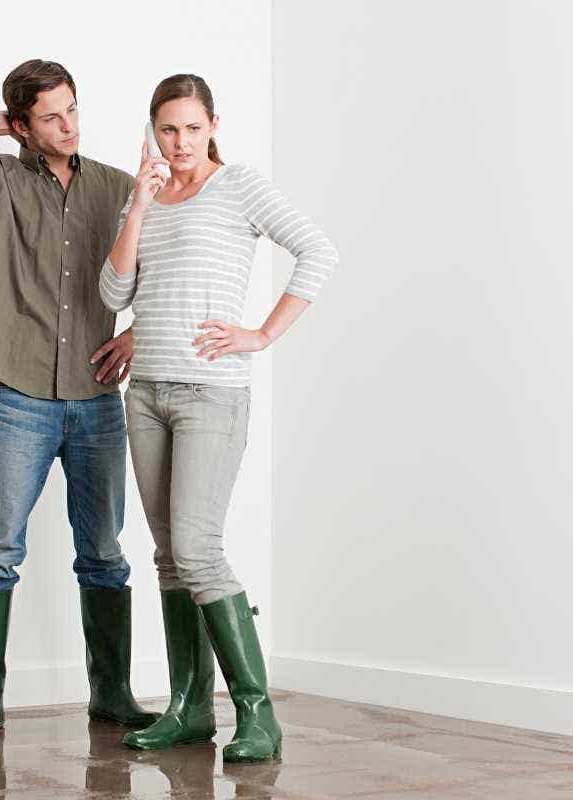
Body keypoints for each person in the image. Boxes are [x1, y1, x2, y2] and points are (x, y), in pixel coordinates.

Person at [99, 74, 339, 762]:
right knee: (171, 557)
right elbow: (115, 292)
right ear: (152, 129)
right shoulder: (144, 196)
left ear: (213, 125)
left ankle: (257, 715)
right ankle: (187, 709)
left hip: (212, 393)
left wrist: (261, 334)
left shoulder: (239, 187)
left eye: (192, 128)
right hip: (144, 394)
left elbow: (318, 251)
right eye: (167, 129)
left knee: (199, 550)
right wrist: (139, 208)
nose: (179, 143)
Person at [0, 59, 157, 740]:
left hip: (95, 398)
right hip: (17, 394)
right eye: (51, 116)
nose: (69, 125)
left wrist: (140, 332)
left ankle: (111, 695)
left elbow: (171, 265)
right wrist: (12, 127)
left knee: (105, 552)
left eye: (73, 110)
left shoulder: (116, 187)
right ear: (26, 126)